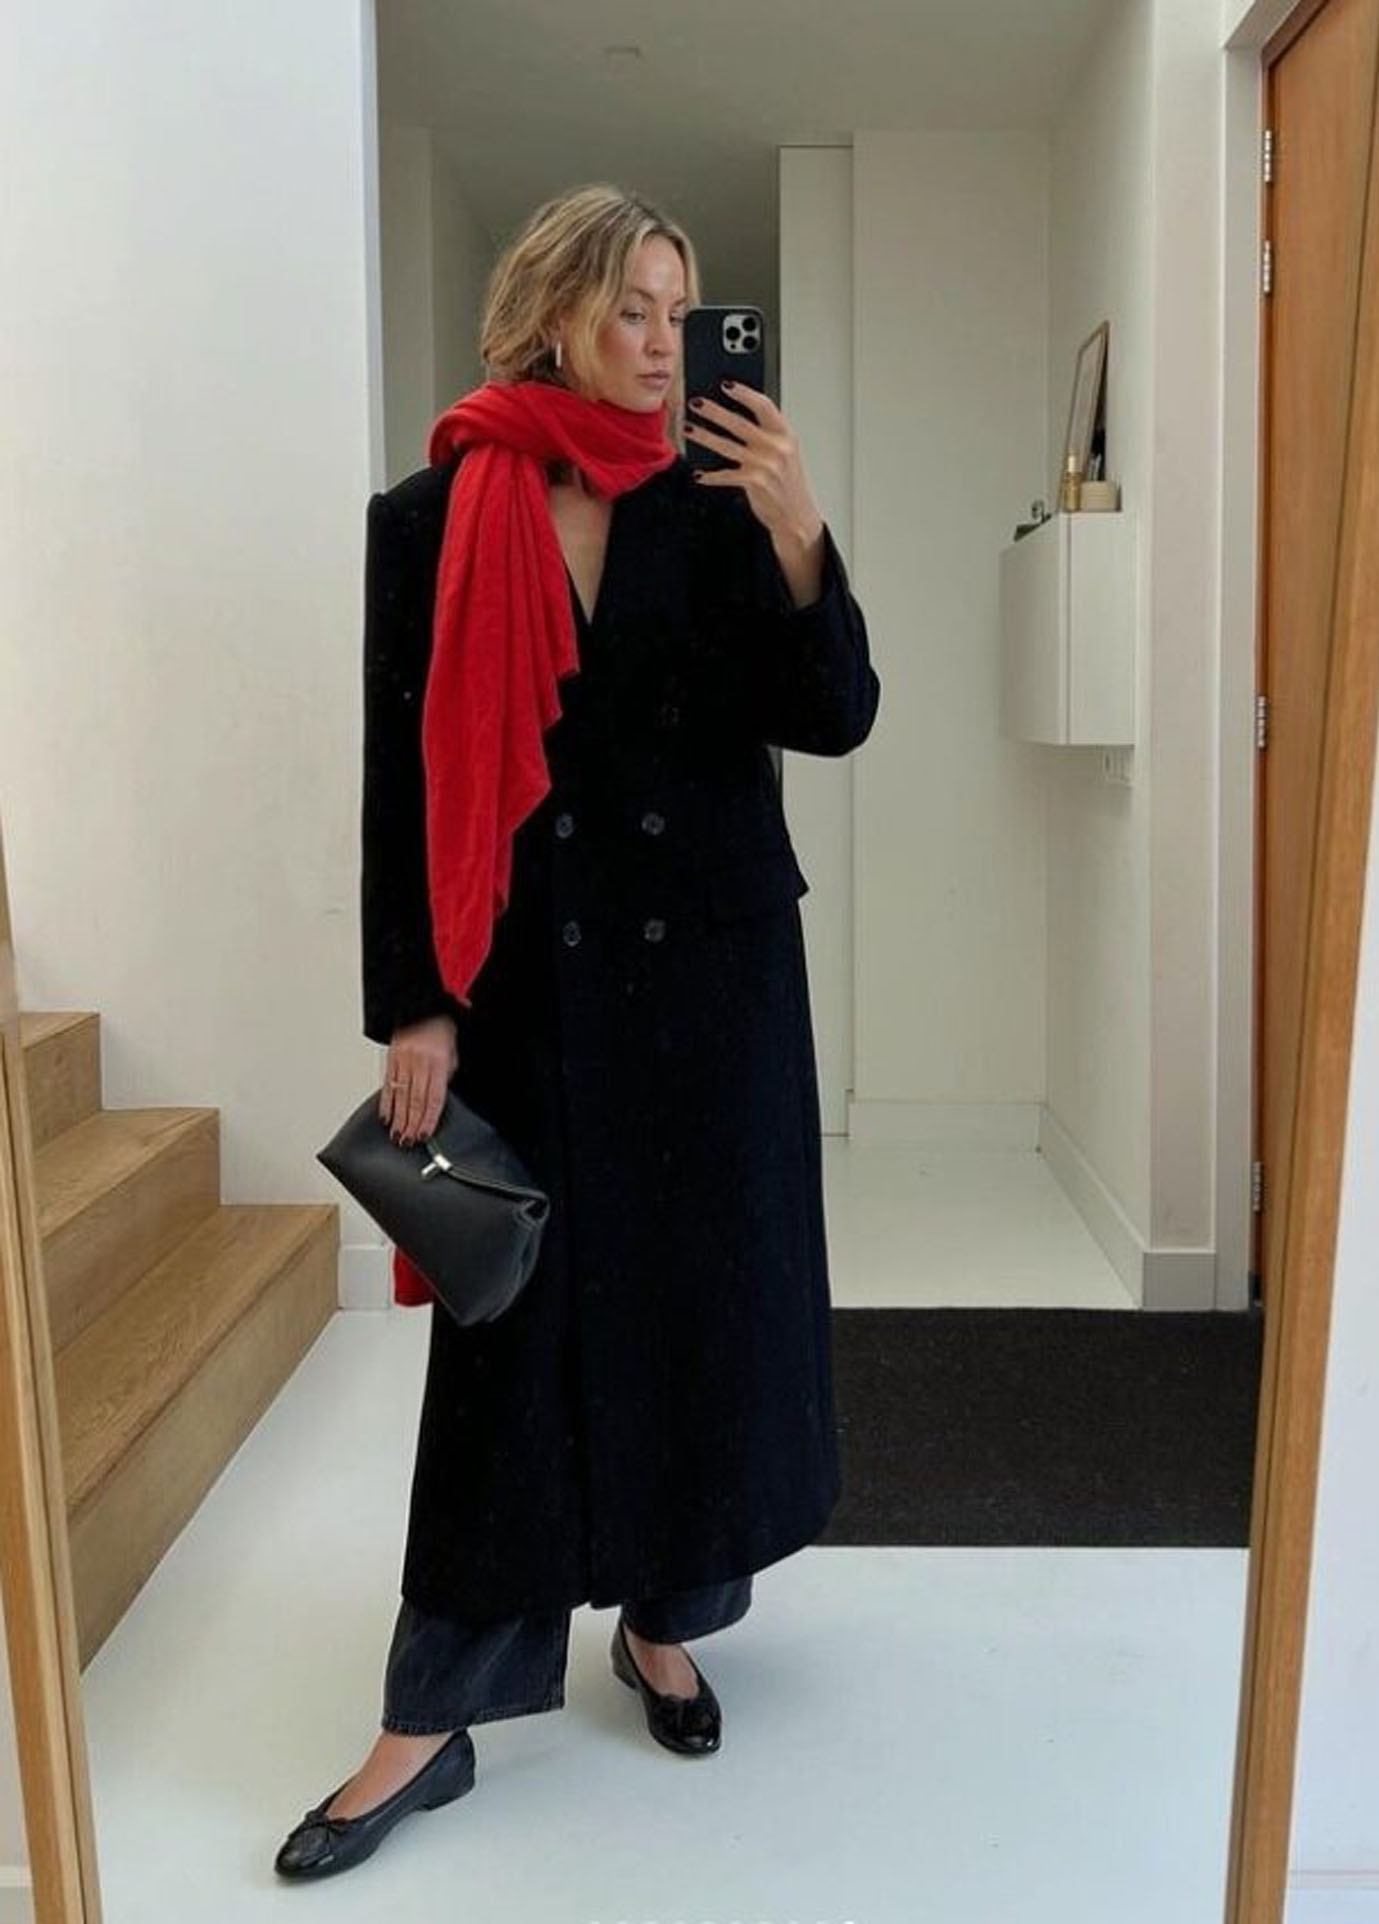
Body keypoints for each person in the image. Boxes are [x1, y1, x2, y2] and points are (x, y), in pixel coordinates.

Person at [275, 181, 880, 1881]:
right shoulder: (427, 519)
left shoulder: (718, 504)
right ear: (555, 312)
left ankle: (667, 1624)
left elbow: (835, 714)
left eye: (680, 314)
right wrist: (416, 1006)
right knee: (510, 1349)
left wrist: (800, 533)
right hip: (528, 991)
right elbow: (404, 784)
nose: (663, 344)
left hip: (713, 991)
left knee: (701, 1314)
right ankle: (430, 1718)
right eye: (632, 310)